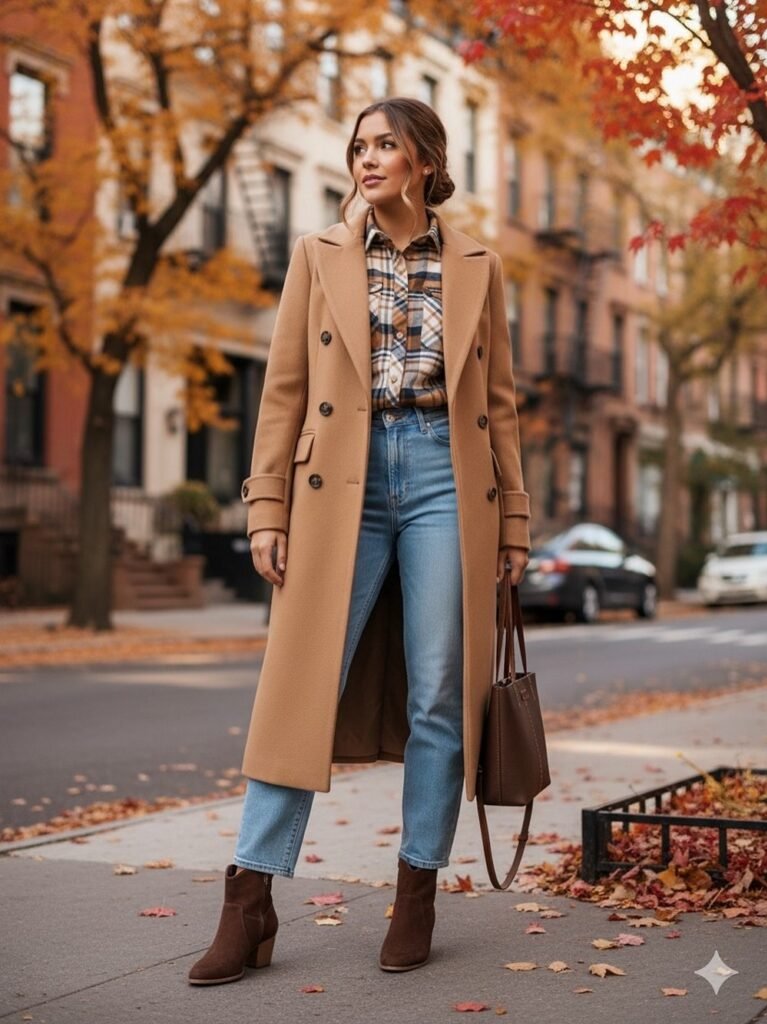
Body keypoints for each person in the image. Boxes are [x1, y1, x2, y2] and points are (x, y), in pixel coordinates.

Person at [188, 96, 531, 986]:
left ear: (423, 161)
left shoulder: (479, 268)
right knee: (301, 688)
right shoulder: (318, 255)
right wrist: (266, 508)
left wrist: (517, 520)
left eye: (386, 145)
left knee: (437, 694)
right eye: (359, 146)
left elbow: (499, 406)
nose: (367, 159)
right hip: (337, 481)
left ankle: (415, 888)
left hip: (444, 483)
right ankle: (249, 894)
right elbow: (283, 391)